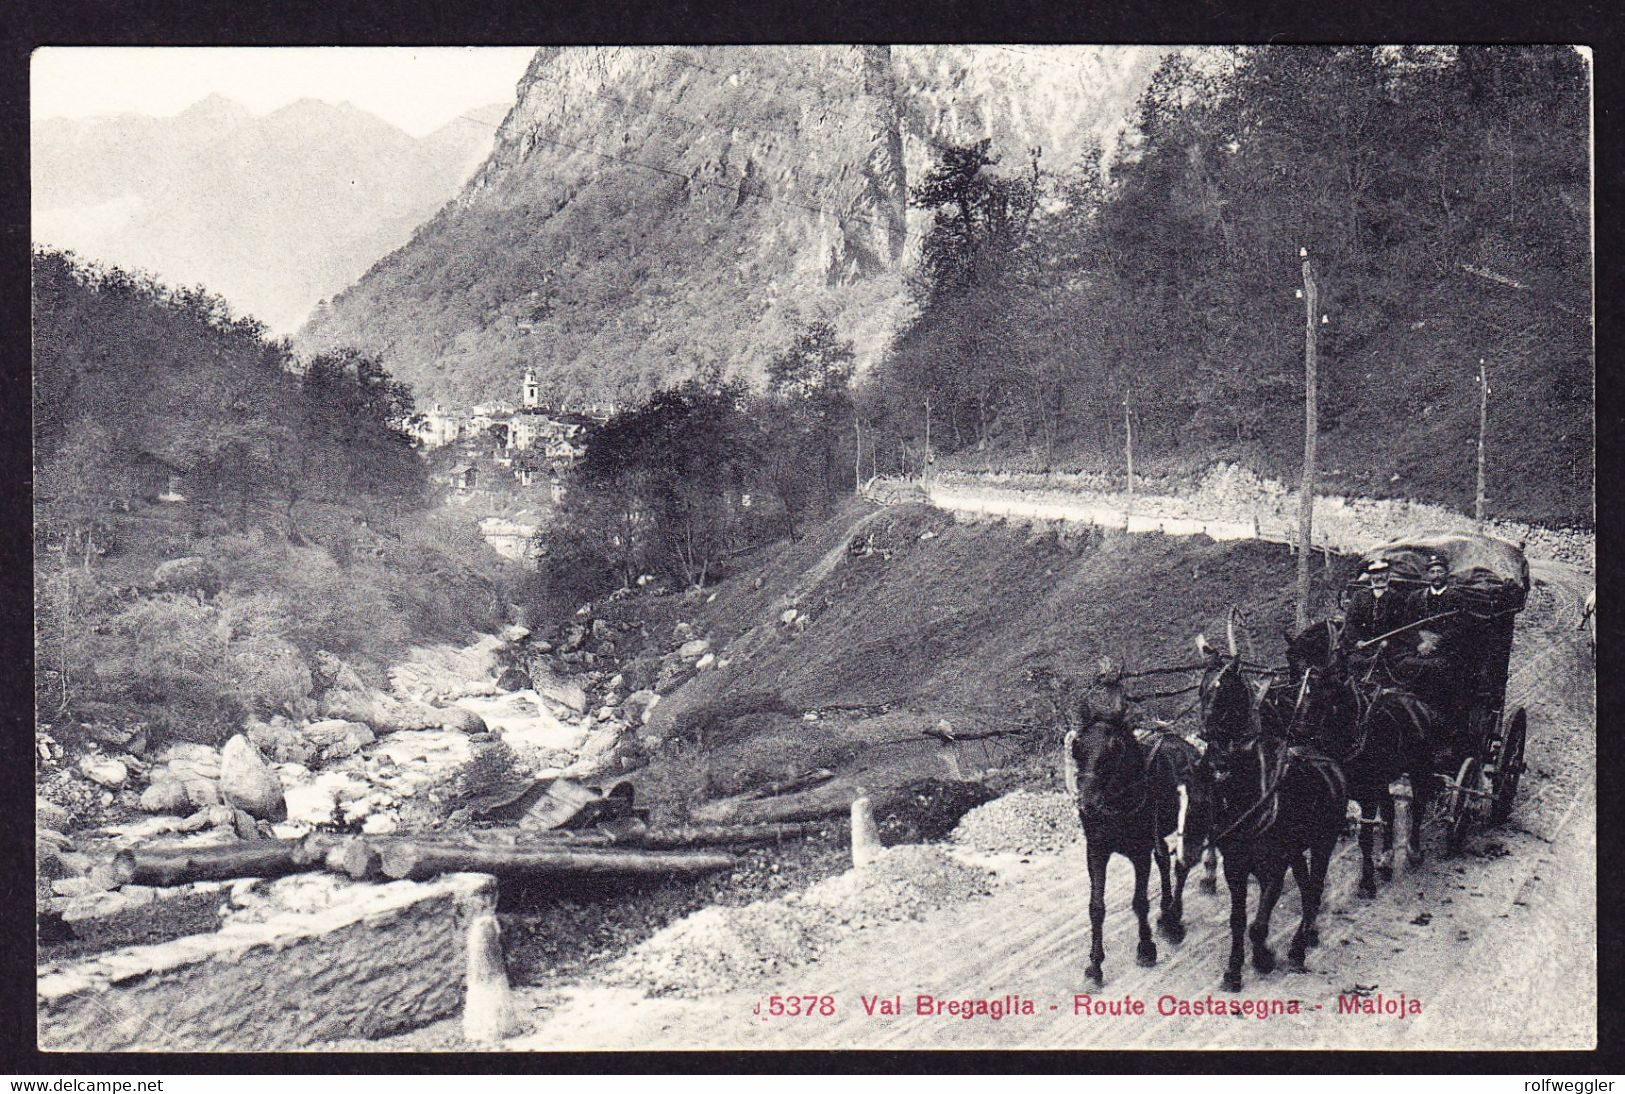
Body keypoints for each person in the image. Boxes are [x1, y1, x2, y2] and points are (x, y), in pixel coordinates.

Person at [1340, 558, 1409, 660]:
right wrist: (1357, 641)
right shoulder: (1359, 596)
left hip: (1387, 648)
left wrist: (1388, 642)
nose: (1380, 577)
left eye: (1383, 573)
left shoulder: (1397, 598)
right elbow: (1350, 622)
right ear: (1371, 576)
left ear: (1388, 574)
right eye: (1375, 573)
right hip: (1361, 646)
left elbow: (1401, 626)